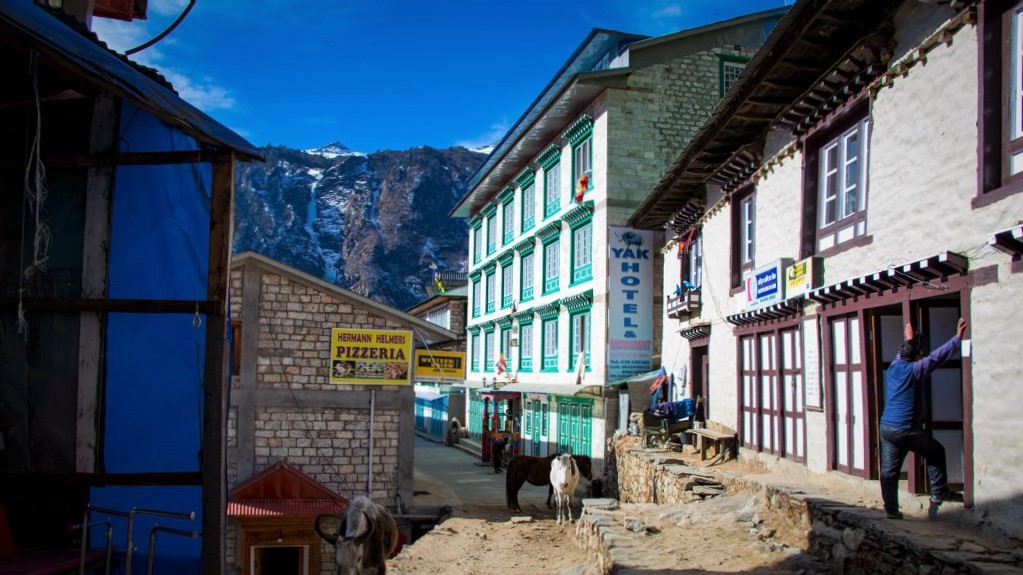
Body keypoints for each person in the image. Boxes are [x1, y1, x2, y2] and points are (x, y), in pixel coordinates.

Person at [879, 318, 966, 520]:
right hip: (906, 429)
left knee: (889, 472)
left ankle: (891, 510)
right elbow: (936, 358)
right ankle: (938, 491)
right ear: (917, 357)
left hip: (887, 428)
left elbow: (904, 352)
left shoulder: (894, 367)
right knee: (935, 451)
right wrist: (957, 339)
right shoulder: (914, 370)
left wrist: (909, 339)